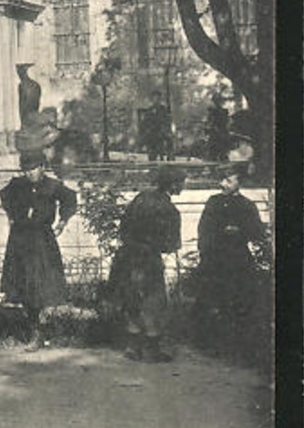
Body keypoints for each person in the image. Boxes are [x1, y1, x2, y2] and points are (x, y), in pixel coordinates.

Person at [0, 150, 77, 350]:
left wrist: (62, 222)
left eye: (33, 168)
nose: (29, 173)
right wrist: (12, 215)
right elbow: (4, 195)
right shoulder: (18, 185)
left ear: (42, 167)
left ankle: (41, 331)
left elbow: (70, 199)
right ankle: (36, 330)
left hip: (42, 240)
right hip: (20, 239)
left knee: (42, 287)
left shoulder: (52, 185)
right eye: (26, 169)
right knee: (24, 286)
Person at [107, 164, 185, 362]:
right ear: (174, 184)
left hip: (127, 255)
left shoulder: (141, 198)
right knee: (153, 301)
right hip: (149, 258)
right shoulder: (170, 210)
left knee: (132, 299)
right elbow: (171, 245)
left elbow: (124, 226)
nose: (183, 185)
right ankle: (152, 349)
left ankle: (132, 346)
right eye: (181, 182)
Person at [195, 165, 267, 350]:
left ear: (239, 183)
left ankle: (237, 344)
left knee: (239, 299)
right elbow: (204, 229)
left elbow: (257, 232)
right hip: (215, 258)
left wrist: (240, 231)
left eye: (228, 180)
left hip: (238, 260)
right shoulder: (214, 202)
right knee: (212, 299)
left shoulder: (247, 205)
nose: (223, 184)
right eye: (222, 180)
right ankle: (210, 344)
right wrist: (207, 251)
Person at [141, 90, 172, 161]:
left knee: (162, 152)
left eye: (158, 98)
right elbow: (145, 122)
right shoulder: (149, 110)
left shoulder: (163, 110)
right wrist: (147, 130)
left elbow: (166, 120)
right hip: (151, 134)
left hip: (160, 134)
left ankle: (164, 162)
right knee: (152, 154)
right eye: (155, 98)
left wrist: (165, 129)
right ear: (152, 99)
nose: (156, 100)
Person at [204, 93, 231, 162]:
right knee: (214, 149)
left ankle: (223, 157)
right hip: (216, 132)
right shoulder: (212, 111)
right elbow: (210, 121)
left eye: (219, 100)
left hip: (222, 131)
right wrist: (209, 127)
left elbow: (227, 121)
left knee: (223, 148)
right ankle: (214, 159)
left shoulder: (224, 111)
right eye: (216, 100)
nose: (218, 102)